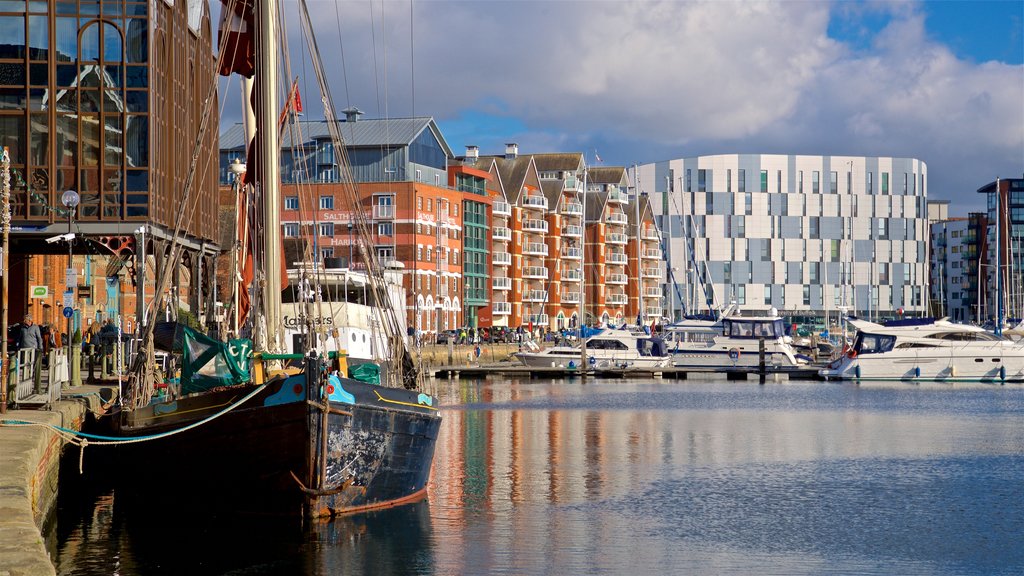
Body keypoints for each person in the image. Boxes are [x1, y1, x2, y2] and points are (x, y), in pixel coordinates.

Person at [17, 314, 43, 393]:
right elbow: (20, 338)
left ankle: (35, 382)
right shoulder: (22, 328)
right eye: (24, 320)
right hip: (24, 349)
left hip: (33, 349)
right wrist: (18, 346)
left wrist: (40, 347)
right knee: (26, 366)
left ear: (29, 320)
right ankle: (26, 382)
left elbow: (39, 338)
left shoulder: (35, 327)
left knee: (34, 365)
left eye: (25, 320)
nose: (24, 321)